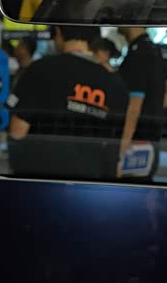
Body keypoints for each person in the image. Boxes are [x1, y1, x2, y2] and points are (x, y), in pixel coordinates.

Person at [7, 25, 128, 180]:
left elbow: (17, 132)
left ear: (59, 32)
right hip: (89, 180)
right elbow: (113, 147)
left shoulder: (41, 69)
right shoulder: (115, 84)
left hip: (39, 176)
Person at [118, 27, 167, 181]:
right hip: (150, 141)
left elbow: (134, 106)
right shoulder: (153, 49)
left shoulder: (138, 54)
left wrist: (121, 150)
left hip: (135, 144)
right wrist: (154, 110)